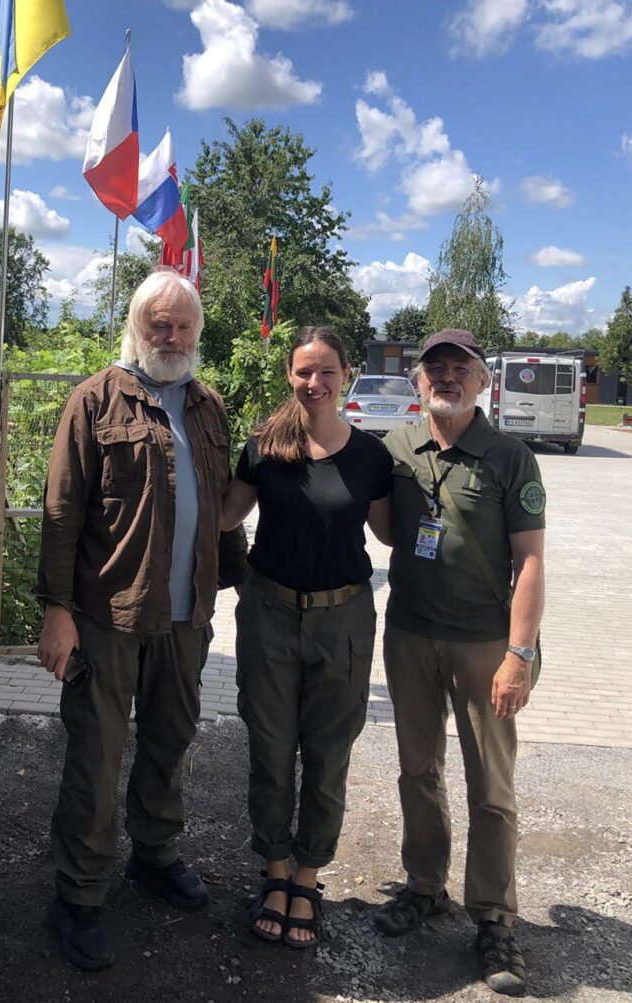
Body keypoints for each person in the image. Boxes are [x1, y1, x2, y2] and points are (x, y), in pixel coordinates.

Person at [35, 270, 247, 971]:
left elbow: (219, 507)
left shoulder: (208, 405)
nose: (171, 335)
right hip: (106, 615)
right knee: (96, 756)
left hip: (185, 618)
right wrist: (57, 611)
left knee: (169, 740)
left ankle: (154, 854)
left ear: (196, 332)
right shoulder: (95, 400)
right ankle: (80, 893)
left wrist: (236, 574)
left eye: (183, 325)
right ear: (136, 324)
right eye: (159, 323)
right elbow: (63, 513)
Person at [376, 329, 545, 997]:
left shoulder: (510, 455)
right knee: (418, 770)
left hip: (483, 645)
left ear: (483, 383)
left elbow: (530, 561)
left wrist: (519, 655)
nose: (446, 378)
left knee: (491, 787)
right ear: (418, 383)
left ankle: (495, 917)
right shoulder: (395, 448)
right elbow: (386, 528)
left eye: (460, 369)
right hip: (411, 636)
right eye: (434, 369)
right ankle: (424, 887)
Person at [220, 326, 392, 949]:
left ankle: (309, 876)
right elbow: (224, 516)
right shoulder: (265, 446)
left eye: (325, 371)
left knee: (327, 754)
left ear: (346, 373)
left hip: (344, 619)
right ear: (289, 375)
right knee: (269, 747)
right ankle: (272, 873)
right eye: (303, 372)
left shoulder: (373, 457)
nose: (313, 383)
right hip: (267, 614)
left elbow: (392, 535)